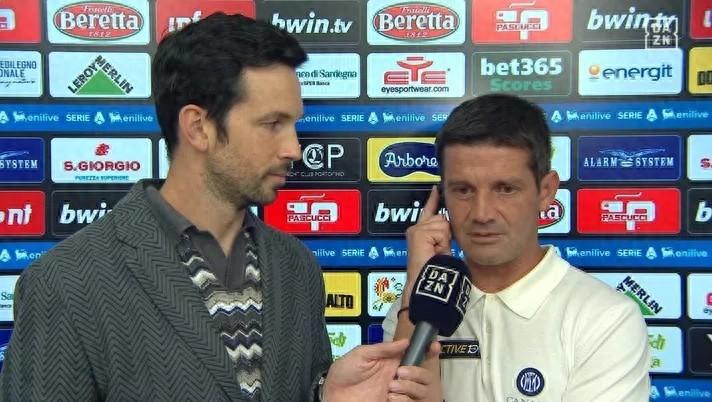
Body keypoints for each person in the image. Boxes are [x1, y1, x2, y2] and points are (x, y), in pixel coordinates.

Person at [0, 13, 440, 402]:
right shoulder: (66, 282)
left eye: (293, 124)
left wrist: (325, 395)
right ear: (199, 128)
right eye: (272, 124)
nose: (294, 148)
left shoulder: (295, 266)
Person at [383, 94, 651, 401]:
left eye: (505, 189)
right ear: (443, 195)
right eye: (463, 190)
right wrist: (417, 285)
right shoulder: (414, 308)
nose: (482, 213)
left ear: (545, 191)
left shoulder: (605, 318)